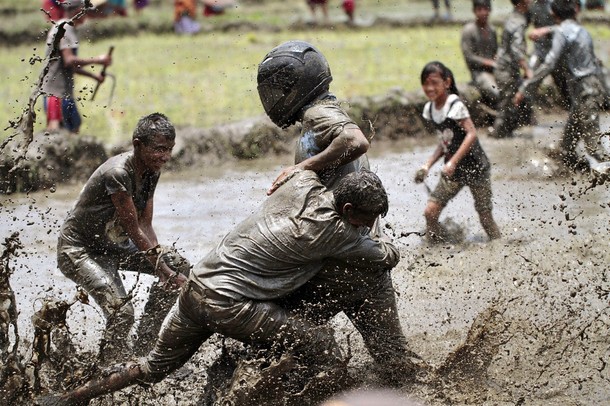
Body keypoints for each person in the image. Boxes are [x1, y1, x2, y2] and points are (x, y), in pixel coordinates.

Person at [41, 170, 401, 405]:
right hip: (228, 303)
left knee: (152, 366)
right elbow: (387, 257)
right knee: (320, 342)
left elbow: (306, 168)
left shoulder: (303, 185)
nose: (367, 227)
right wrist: (375, 239)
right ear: (349, 208)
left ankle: (71, 398)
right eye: (366, 221)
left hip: (197, 284)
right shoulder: (335, 232)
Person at [257, 40, 423, 387]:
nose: (272, 98)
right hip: (365, 261)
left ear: (296, 88)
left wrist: (301, 168)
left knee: (274, 345)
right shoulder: (322, 113)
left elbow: (356, 141)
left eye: (277, 89)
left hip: (332, 267)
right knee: (396, 366)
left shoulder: (318, 114)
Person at [56, 113, 188, 363]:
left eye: (169, 150)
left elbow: (145, 223)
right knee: (122, 313)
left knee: (178, 264)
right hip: (79, 250)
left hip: (113, 245)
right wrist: (162, 270)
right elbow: (132, 228)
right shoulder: (117, 173)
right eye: (159, 149)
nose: (165, 157)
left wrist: (165, 269)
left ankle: (145, 348)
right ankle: (110, 366)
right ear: (138, 145)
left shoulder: (151, 171)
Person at [514, 0, 610, 172]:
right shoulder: (581, 30)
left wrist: (525, 88)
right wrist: (548, 30)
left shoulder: (561, 32)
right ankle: (578, 181)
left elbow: (549, 63)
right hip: (588, 90)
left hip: (585, 92)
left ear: (553, 15)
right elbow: (567, 31)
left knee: (594, 148)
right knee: (567, 147)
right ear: (574, 11)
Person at [415, 61, 501, 243]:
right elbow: (445, 141)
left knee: (485, 216)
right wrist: (427, 166)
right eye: (425, 83)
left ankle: (500, 246)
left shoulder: (455, 105)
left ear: (447, 82)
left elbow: (471, 134)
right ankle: (434, 249)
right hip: (453, 170)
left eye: (434, 82)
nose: (429, 88)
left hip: (476, 167)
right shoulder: (430, 109)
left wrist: (452, 162)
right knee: (430, 212)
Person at [41, 0, 112, 134]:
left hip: (65, 91)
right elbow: (70, 61)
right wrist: (98, 60)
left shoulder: (69, 29)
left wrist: (94, 76)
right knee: (56, 134)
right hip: (55, 94)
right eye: (85, 11)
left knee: (74, 128)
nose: (87, 15)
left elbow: (70, 67)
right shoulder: (63, 29)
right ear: (78, 11)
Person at [491, 0, 533, 138]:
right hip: (506, 70)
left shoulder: (514, 17)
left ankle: (506, 135)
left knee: (510, 103)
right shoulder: (518, 21)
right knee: (506, 104)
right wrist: (527, 69)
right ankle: (498, 135)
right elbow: (516, 50)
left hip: (507, 68)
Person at [460, 0, 499, 108]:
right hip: (478, 72)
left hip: (495, 69)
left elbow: (496, 51)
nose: (483, 12)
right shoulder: (469, 30)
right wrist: (488, 62)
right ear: (474, 11)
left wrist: (497, 59)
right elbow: (469, 56)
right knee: (496, 92)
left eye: (486, 9)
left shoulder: (492, 30)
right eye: (479, 9)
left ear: (490, 10)